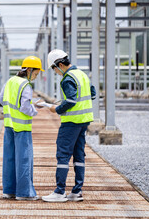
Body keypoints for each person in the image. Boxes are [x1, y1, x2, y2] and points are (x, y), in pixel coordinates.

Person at [42, 49, 96, 202]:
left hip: (71, 122)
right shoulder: (82, 74)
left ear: (59, 65)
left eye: (54, 69)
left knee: (63, 155)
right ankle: (77, 191)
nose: (55, 72)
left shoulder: (67, 78)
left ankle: (59, 191)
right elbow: (92, 94)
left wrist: (56, 108)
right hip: (84, 121)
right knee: (79, 155)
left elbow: (72, 100)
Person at [0, 55, 44, 201]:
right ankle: (24, 193)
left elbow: (1, 99)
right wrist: (34, 109)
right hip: (22, 127)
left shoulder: (10, 81)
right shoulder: (26, 85)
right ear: (29, 70)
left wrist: (11, 109)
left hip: (9, 125)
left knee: (9, 158)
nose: (36, 77)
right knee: (24, 159)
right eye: (36, 73)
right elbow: (25, 106)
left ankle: (9, 191)